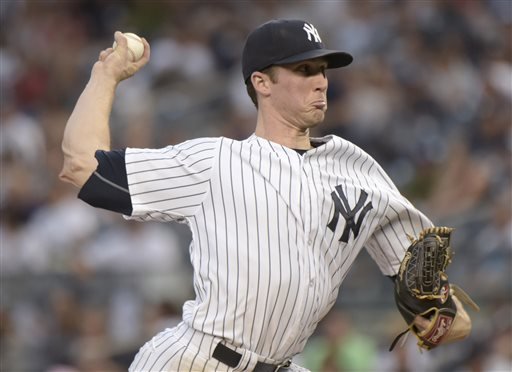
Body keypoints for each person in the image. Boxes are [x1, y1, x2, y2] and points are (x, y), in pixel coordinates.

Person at [60, 19, 471, 372]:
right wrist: (106, 76)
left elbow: (440, 306)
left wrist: (441, 317)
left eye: (323, 69)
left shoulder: (359, 167)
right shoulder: (215, 161)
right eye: (304, 69)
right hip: (197, 359)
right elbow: (82, 165)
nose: (321, 81)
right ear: (261, 82)